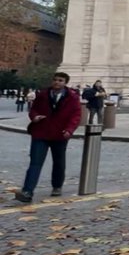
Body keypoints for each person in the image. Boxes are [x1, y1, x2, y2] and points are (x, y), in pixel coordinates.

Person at [15, 71, 82, 203]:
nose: (57, 82)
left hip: (60, 134)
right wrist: (34, 117)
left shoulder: (72, 97)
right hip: (41, 132)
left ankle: (57, 186)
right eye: (55, 79)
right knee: (35, 163)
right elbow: (34, 109)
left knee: (58, 162)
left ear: (65, 83)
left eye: (60, 80)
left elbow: (76, 116)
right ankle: (27, 191)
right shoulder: (43, 94)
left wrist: (69, 130)